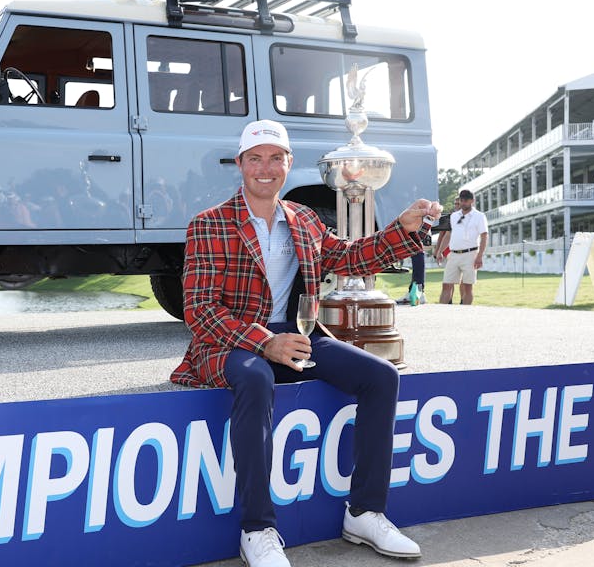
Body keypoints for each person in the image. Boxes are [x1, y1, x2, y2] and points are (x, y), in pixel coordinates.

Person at [172, 120, 440, 567]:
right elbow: (199, 310)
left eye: (276, 158)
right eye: (255, 158)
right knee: (255, 379)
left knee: (381, 376)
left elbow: (353, 256)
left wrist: (403, 229)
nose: (266, 168)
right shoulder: (209, 224)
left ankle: (365, 512)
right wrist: (264, 341)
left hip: (297, 334)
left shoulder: (305, 219)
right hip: (228, 342)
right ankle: (257, 529)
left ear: (288, 164)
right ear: (240, 164)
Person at [435, 190, 488, 305]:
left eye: (465, 201)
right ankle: (441, 313)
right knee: (446, 285)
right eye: (461, 200)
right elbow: (448, 235)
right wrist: (439, 252)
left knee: (467, 287)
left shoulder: (479, 216)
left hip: (471, 255)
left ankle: (465, 315)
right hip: (453, 255)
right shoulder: (454, 216)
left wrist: (480, 256)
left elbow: (484, 236)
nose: (462, 203)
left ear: (472, 201)